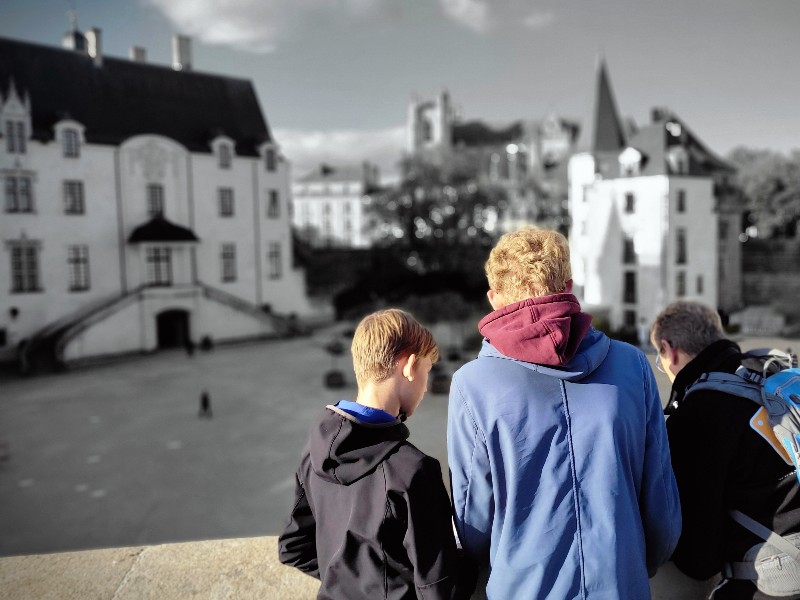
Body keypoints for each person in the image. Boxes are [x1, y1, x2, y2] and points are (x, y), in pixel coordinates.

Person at [448, 227, 681, 599]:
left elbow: (473, 515)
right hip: (622, 582)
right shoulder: (633, 365)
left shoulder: (471, 385)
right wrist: (635, 564)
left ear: (494, 299)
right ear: (569, 287)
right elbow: (660, 497)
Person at [279, 308, 464, 600]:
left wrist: (348, 581)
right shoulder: (413, 470)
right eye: (427, 373)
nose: (426, 388)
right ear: (410, 366)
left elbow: (294, 548)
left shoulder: (312, 452)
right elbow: (438, 586)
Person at [651, 300, 800, 599]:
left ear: (669, 349)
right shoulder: (773, 373)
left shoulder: (699, 412)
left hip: (772, 583)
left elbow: (698, 558)